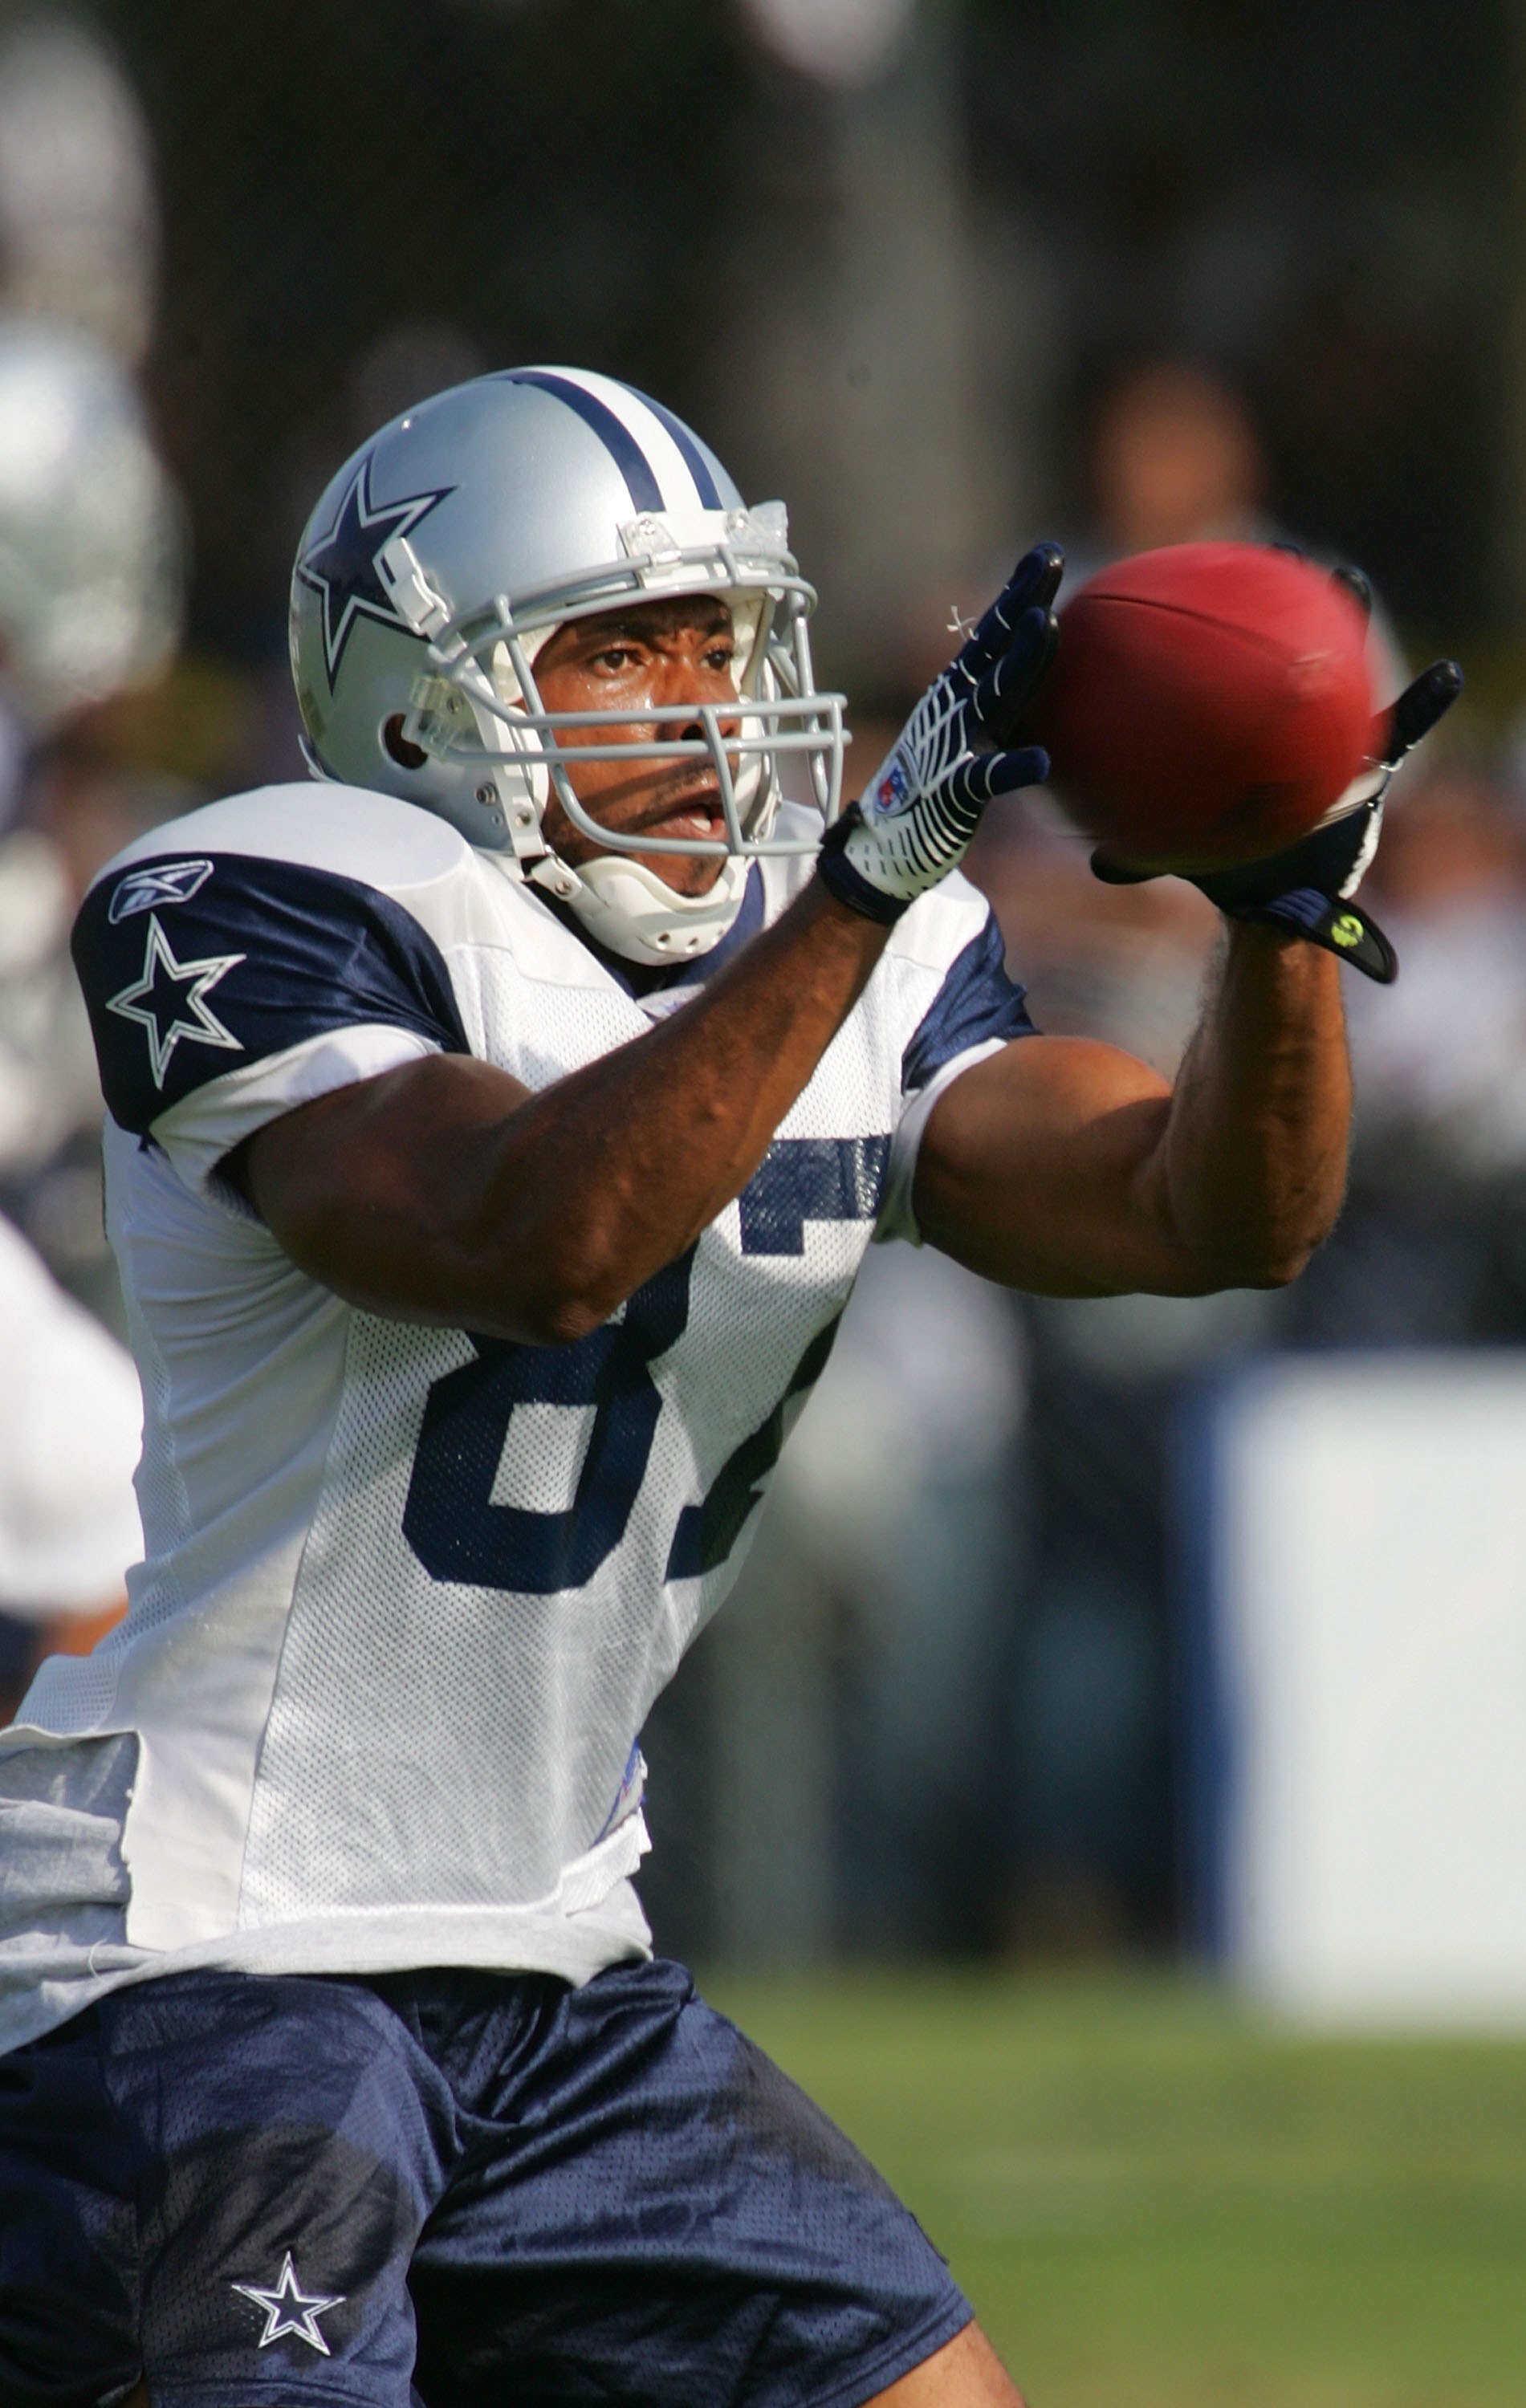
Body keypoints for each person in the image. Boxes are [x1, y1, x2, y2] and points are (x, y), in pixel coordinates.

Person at [0, 368, 1456, 2408]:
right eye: (618, 654)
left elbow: (1201, 1212)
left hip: (550, 1955)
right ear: (426, 698)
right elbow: (537, 1243)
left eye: (720, 640)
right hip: (204, 1961)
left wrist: (1281, 912)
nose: (699, 709)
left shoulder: (849, 925)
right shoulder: (263, 894)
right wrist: (859, 890)